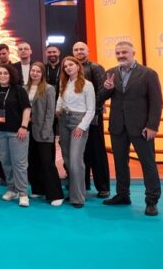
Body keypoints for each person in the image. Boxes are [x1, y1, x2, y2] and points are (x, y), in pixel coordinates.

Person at [99, 41, 163, 216]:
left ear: (133, 53)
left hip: (141, 128)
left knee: (148, 164)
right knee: (120, 163)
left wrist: (152, 125)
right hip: (117, 126)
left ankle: (152, 201)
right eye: (118, 53)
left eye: (124, 52)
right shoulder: (110, 73)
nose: (121, 56)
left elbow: (157, 102)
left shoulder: (148, 74)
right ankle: (122, 195)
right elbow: (100, 98)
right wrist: (107, 89)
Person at [0, 63, 32, 207]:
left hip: (16, 132)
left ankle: (23, 193)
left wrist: (24, 126)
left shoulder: (19, 90)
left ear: (11, 75)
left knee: (19, 163)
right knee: (5, 162)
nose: (2, 76)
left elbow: (26, 109)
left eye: (5, 73)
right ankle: (12, 189)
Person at [56, 56, 96, 208]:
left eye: (71, 65)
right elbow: (60, 98)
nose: (68, 68)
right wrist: (58, 109)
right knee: (67, 160)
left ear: (78, 66)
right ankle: (74, 192)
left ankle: (78, 198)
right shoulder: (64, 82)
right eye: (65, 66)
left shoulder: (87, 85)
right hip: (64, 120)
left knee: (75, 160)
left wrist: (82, 127)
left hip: (78, 122)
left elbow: (91, 110)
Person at [72, 41, 110, 199]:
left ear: (88, 51)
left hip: (93, 116)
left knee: (97, 151)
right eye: (76, 49)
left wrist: (91, 110)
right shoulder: (72, 69)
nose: (79, 51)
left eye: (82, 49)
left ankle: (103, 186)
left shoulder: (96, 68)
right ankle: (84, 183)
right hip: (75, 116)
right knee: (81, 151)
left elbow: (102, 91)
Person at [26, 62, 64, 206]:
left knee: (47, 162)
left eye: (38, 71)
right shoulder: (25, 88)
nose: (35, 73)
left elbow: (50, 112)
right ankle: (38, 189)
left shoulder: (49, 89)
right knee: (33, 161)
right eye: (33, 71)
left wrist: (46, 130)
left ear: (42, 74)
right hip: (28, 130)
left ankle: (56, 194)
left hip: (44, 131)